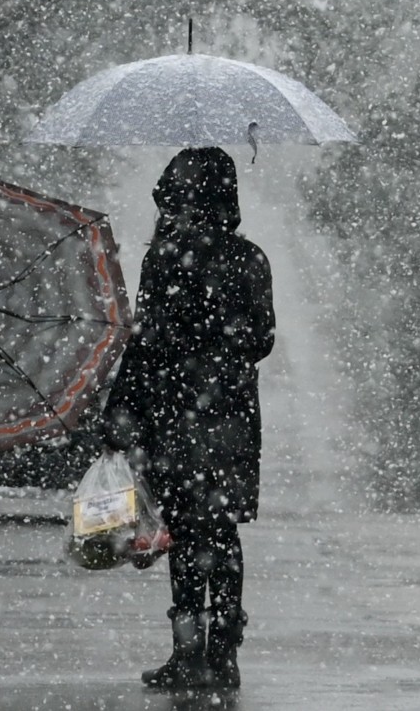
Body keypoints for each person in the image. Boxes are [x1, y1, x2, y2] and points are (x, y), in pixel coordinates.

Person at [100, 147, 276, 691]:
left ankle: (187, 654)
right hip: (230, 417)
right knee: (221, 534)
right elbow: (262, 341)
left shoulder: (167, 256)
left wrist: (119, 413)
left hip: (176, 413)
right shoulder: (251, 258)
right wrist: (220, 342)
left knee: (184, 532)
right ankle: (225, 655)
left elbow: (147, 345)